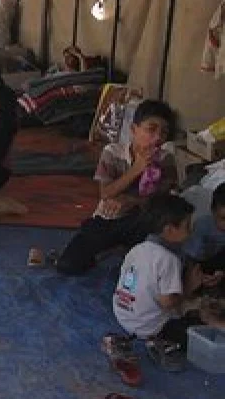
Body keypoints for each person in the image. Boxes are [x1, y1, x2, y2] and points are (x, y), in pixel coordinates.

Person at [56, 100, 179, 276]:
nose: (158, 138)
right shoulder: (113, 153)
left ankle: (124, 251)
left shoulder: (166, 160)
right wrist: (137, 168)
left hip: (142, 222)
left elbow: (165, 200)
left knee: (144, 269)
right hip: (109, 219)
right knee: (68, 265)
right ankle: (113, 249)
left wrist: (132, 201)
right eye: (151, 129)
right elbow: (105, 193)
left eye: (164, 132)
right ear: (134, 130)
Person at [106, 195, 206, 372]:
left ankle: (120, 339)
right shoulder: (168, 260)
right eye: (187, 226)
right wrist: (190, 286)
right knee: (194, 330)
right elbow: (167, 303)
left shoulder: (137, 249)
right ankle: (157, 342)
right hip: (148, 325)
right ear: (168, 230)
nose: (190, 232)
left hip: (122, 314)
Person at [183, 183, 225, 294]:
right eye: (223, 218)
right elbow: (191, 258)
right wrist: (198, 276)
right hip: (203, 265)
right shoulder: (203, 226)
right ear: (213, 211)